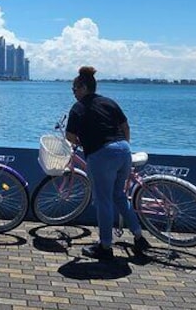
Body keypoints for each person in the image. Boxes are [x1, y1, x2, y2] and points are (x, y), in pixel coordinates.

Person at [65, 66, 151, 259]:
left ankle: (105, 247)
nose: (73, 93)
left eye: (75, 89)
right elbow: (125, 126)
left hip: (101, 154)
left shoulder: (78, 108)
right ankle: (139, 237)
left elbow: (69, 135)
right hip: (123, 150)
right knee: (119, 196)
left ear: (84, 88)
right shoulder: (109, 102)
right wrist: (123, 146)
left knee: (103, 202)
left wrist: (83, 142)